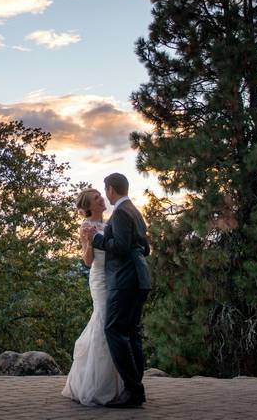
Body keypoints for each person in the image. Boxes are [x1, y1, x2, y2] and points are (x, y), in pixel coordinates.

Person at [82, 172, 151, 408]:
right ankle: (133, 386)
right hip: (137, 278)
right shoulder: (134, 210)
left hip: (124, 280)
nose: (104, 197)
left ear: (111, 189)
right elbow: (146, 248)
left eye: (104, 192)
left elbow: (120, 247)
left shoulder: (120, 213)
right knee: (130, 331)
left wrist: (99, 241)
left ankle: (133, 389)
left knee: (113, 329)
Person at [60, 187, 125, 406]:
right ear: (89, 206)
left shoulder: (109, 224)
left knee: (112, 324)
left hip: (115, 277)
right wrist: (88, 241)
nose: (102, 199)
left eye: (100, 196)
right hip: (99, 279)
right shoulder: (86, 226)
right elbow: (88, 261)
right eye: (97, 198)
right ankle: (95, 385)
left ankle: (115, 384)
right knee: (103, 322)